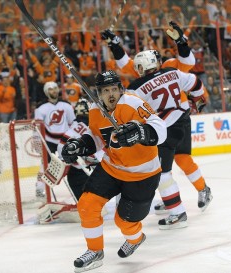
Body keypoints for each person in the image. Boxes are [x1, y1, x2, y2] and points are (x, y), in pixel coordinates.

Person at [101, 22, 213, 221]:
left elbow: (187, 60)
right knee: (183, 160)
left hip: (166, 127)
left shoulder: (140, 83)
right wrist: (115, 45)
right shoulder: (171, 69)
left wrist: (181, 42)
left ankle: (176, 206)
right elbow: (191, 73)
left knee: (162, 171)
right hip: (183, 119)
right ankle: (200, 190)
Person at [61, 70, 167, 272]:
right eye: (105, 91)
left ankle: (135, 238)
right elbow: (97, 137)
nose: (111, 94)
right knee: (86, 205)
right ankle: (95, 251)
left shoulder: (133, 103)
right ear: (98, 93)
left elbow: (160, 128)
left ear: (120, 89)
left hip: (142, 174)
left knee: (123, 222)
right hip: (112, 167)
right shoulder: (94, 108)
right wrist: (80, 145)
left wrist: (140, 132)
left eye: (114, 89)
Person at [34, 81, 76, 197]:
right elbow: (37, 128)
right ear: (46, 92)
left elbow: (73, 123)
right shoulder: (41, 108)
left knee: (73, 164)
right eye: (50, 89)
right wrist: (37, 141)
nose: (53, 91)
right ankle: (39, 188)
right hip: (49, 141)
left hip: (65, 140)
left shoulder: (66, 105)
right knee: (45, 165)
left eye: (55, 88)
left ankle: (77, 186)